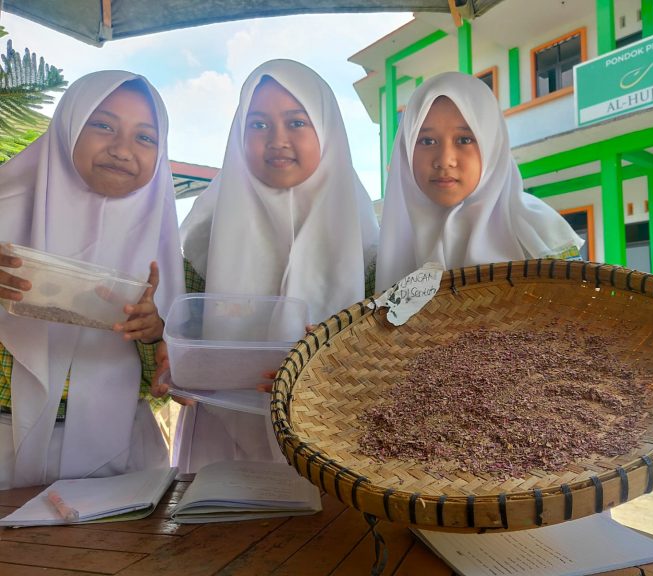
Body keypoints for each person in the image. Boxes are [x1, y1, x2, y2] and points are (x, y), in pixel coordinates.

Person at [163, 59, 379, 473]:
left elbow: (383, 347)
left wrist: (339, 353)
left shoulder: (367, 243)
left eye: (297, 123)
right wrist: (171, 364)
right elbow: (175, 331)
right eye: (258, 125)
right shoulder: (201, 238)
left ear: (328, 132)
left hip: (333, 444)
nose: (277, 140)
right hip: (221, 439)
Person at [0, 71, 185, 489]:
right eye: (102, 125)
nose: (122, 150)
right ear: (68, 127)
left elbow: (170, 382)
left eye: (145, 137)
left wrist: (156, 333)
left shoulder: (167, 250)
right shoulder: (4, 209)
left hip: (119, 455)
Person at [375, 72, 584, 291]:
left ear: (492, 144)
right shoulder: (392, 246)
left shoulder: (537, 234)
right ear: (406, 150)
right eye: (427, 141)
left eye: (464, 139)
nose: (445, 160)